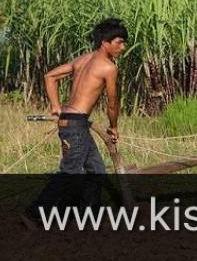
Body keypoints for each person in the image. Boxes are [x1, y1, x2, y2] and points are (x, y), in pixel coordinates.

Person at [22, 18, 127, 229]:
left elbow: (50, 76)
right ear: (105, 42)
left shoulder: (82, 60)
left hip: (73, 122)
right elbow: (112, 103)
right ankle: (35, 213)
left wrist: (56, 106)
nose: (122, 47)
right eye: (119, 42)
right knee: (69, 171)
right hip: (76, 125)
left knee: (96, 168)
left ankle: (89, 213)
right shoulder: (108, 67)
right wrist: (113, 126)